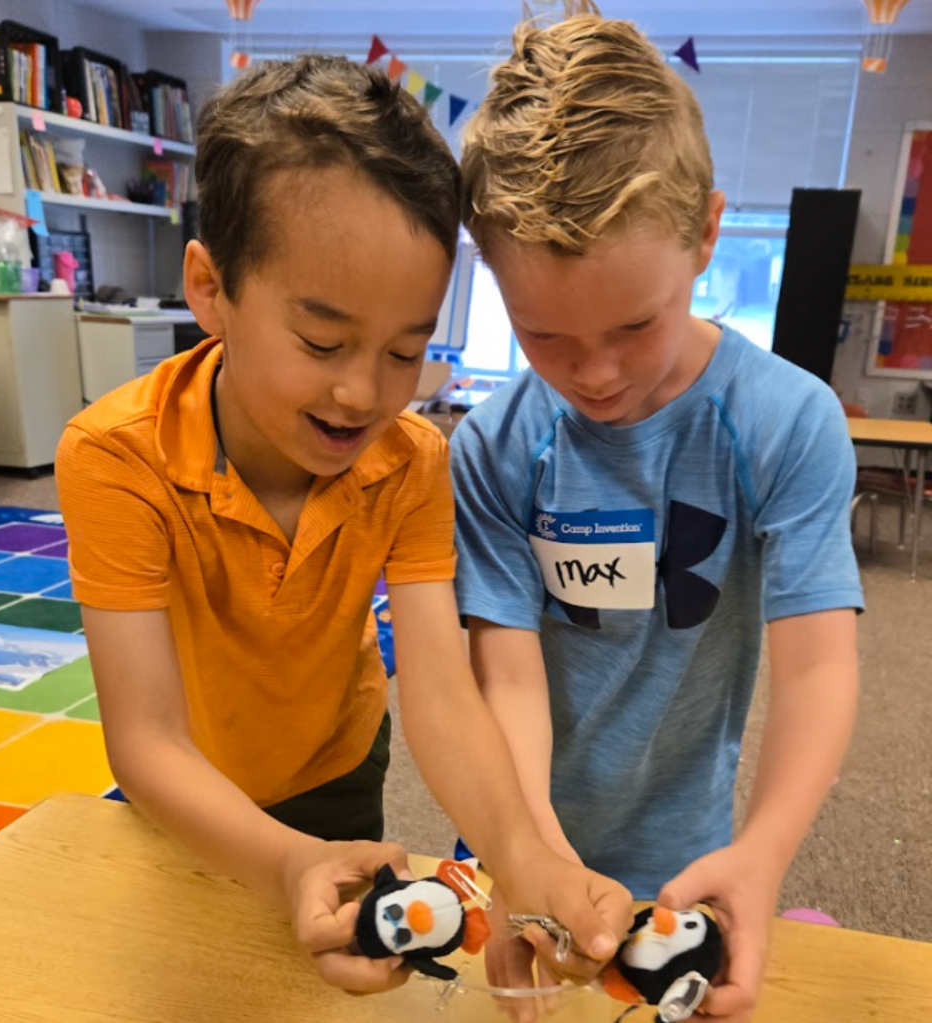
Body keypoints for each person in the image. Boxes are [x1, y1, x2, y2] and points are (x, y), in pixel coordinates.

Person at [56, 56, 631, 996]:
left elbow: (442, 692)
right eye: (322, 342)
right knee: (174, 979)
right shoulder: (117, 456)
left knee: (316, 988)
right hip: (186, 784)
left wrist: (527, 854)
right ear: (211, 289)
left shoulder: (409, 462)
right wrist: (279, 861)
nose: (364, 392)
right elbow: (147, 738)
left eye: (406, 349)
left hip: (336, 767)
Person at [451, 10, 861, 1019]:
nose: (594, 374)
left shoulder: (786, 420)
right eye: (542, 335)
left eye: (636, 324)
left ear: (709, 234)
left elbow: (818, 662)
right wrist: (526, 855)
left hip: (687, 852)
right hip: (515, 829)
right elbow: (504, 676)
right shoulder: (493, 447)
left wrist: (762, 854)